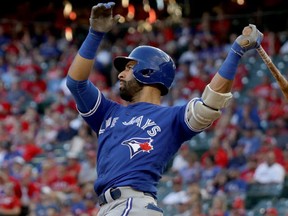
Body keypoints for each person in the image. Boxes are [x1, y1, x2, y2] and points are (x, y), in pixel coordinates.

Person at [66, 2, 263, 215]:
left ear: (148, 72)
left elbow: (210, 103)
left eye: (130, 68)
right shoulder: (108, 113)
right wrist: (95, 33)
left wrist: (235, 51)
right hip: (108, 208)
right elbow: (76, 83)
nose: (121, 74)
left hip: (133, 205)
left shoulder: (171, 118)